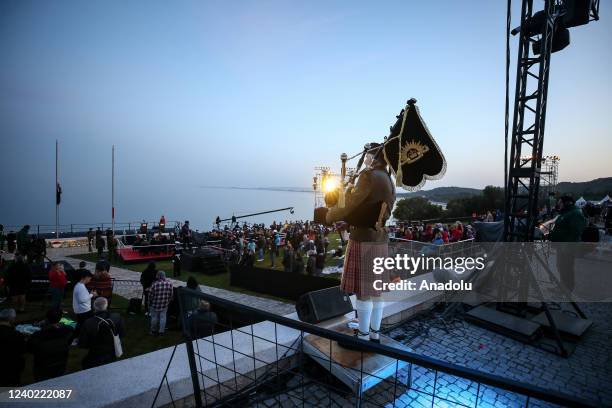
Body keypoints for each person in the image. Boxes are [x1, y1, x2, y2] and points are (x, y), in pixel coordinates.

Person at [324, 142, 395, 343]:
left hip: (363, 239)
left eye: (367, 156)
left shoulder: (368, 176)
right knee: (376, 291)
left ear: (373, 157)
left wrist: (330, 215)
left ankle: (362, 337)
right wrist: (350, 219)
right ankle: (374, 333)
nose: (364, 160)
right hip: (379, 239)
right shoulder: (388, 179)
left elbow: (351, 204)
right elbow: (371, 210)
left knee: (363, 291)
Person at [548, 195, 587, 292]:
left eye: (560, 202)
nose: (558, 204)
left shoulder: (575, 213)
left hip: (568, 247)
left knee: (567, 267)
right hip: (561, 246)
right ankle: (562, 287)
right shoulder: (566, 213)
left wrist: (567, 246)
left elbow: (576, 232)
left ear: (567, 203)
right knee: (561, 266)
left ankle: (567, 289)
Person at [27, 308, 73, 381]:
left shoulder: (38, 334)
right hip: (60, 364)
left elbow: (30, 349)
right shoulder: (66, 331)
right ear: (60, 319)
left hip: (43, 367)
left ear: (46, 319)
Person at [79, 297, 124, 369]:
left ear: (94, 307)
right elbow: (121, 334)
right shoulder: (117, 317)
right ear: (106, 305)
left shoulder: (88, 322)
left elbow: (83, 344)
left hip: (95, 355)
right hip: (112, 351)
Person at [0, 308, 26, 386]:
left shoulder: (16, 334)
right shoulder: (17, 335)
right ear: (11, 319)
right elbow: (23, 352)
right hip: (12, 371)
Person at [72, 269, 96, 342]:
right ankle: (76, 338)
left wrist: (89, 294)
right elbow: (82, 300)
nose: (90, 278)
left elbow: (82, 297)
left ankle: (78, 337)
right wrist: (92, 294)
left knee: (81, 324)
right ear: (84, 277)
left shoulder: (80, 285)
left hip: (82, 310)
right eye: (89, 277)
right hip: (84, 310)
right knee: (82, 325)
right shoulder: (80, 287)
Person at [149, 271, 173, 335]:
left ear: (158, 276)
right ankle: (161, 331)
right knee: (163, 317)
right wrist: (167, 301)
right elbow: (171, 295)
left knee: (154, 317)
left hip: (155, 304)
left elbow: (150, 295)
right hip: (165, 304)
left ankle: (153, 330)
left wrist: (150, 302)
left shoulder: (154, 284)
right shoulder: (169, 284)